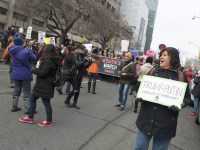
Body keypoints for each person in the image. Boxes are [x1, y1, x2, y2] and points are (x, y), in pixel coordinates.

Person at [134, 47, 191, 150]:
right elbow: (142, 89)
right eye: (161, 55)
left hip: (165, 125)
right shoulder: (153, 71)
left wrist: (181, 104)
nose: (161, 57)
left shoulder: (180, 76)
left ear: (172, 58)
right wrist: (139, 96)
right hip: (145, 119)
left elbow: (188, 98)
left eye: (165, 55)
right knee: (139, 147)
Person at [19, 44, 60, 127]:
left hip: (45, 84)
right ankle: (30, 117)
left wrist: (34, 70)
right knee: (33, 98)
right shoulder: (52, 59)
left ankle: (48, 121)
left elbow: (42, 73)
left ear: (47, 50)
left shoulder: (49, 60)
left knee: (45, 102)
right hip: (43, 84)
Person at [8, 34, 37, 114]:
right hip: (25, 73)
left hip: (15, 73)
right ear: (21, 43)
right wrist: (30, 51)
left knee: (17, 90)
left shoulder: (12, 51)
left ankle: (14, 106)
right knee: (27, 91)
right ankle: (28, 109)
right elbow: (34, 58)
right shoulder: (26, 51)